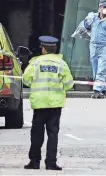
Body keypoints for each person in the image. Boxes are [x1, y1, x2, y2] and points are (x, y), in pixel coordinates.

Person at [23, 36, 74, 170]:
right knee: (53, 134)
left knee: (36, 134)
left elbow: (25, 80)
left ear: (43, 49)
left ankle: (34, 161)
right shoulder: (61, 64)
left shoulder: (35, 63)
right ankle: (51, 162)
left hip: (39, 104)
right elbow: (69, 84)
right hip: (55, 104)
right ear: (55, 49)